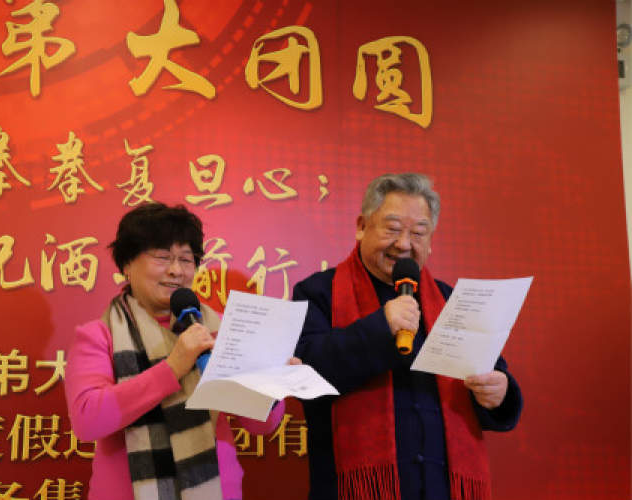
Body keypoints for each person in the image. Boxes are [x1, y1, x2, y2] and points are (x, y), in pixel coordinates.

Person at [293, 173, 522, 500]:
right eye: (392, 228)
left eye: (418, 233)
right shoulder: (318, 292)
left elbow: (491, 374)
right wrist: (379, 327)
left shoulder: (451, 300)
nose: (403, 244)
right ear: (361, 226)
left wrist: (499, 393)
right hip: (355, 490)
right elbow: (306, 374)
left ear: (430, 240)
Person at [64, 202, 286, 500]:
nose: (176, 270)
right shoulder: (99, 335)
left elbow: (261, 424)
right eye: (162, 257)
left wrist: (272, 382)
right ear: (127, 264)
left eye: (185, 259)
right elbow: (88, 421)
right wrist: (173, 367)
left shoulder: (219, 328)